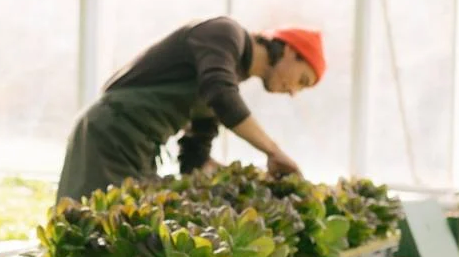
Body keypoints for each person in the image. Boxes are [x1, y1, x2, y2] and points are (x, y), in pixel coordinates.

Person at [54, 18, 326, 203]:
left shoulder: (225, 74)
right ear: (290, 51)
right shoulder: (224, 34)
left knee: (114, 235)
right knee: (88, 232)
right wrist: (273, 151)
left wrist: (240, 182)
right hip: (109, 134)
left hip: (137, 147)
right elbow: (221, 94)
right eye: (301, 80)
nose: (293, 91)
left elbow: (196, 152)